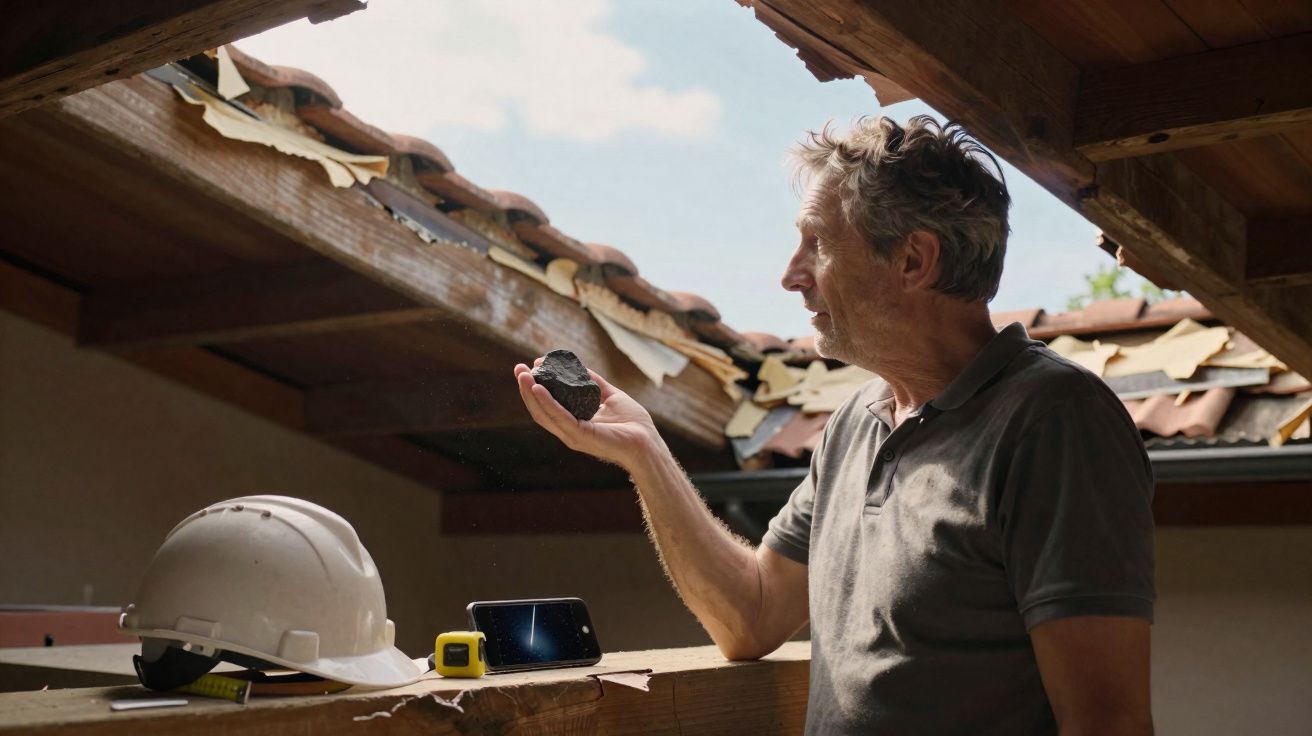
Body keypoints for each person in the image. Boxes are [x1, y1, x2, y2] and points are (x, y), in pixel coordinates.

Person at [514, 116, 1155, 735]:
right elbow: (751, 616)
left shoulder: (1055, 420)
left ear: (913, 260)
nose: (791, 275)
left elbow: (1108, 722)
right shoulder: (856, 423)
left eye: (817, 243)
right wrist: (645, 453)